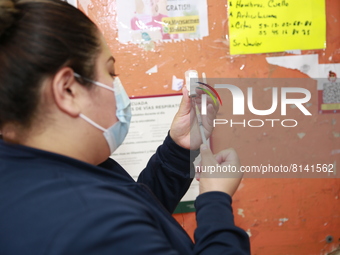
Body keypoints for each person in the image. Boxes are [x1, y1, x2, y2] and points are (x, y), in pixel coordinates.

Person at [0, 0, 250, 254]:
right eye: (111, 73)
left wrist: (179, 149)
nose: (117, 86)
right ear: (68, 90)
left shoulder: (40, 167)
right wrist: (215, 201)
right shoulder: (89, 223)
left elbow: (134, 213)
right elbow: (116, 224)